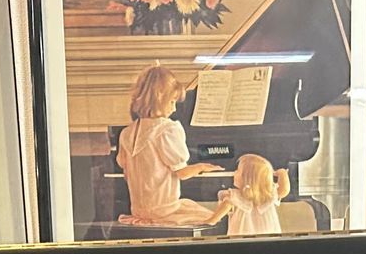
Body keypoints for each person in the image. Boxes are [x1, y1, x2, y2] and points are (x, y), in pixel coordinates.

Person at [115, 65, 221, 227]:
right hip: (165, 211)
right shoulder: (167, 129)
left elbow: (126, 172)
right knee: (216, 218)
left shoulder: (126, 133)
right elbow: (182, 173)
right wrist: (201, 166)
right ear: (159, 98)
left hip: (138, 211)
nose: (174, 108)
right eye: (172, 101)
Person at [207, 152, 288, 236]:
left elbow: (215, 218)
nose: (235, 172)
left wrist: (208, 220)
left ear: (247, 178)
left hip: (241, 241)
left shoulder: (233, 197)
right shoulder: (269, 195)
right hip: (268, 241)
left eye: (238, 170)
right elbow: (284, 190)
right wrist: (282, 173)